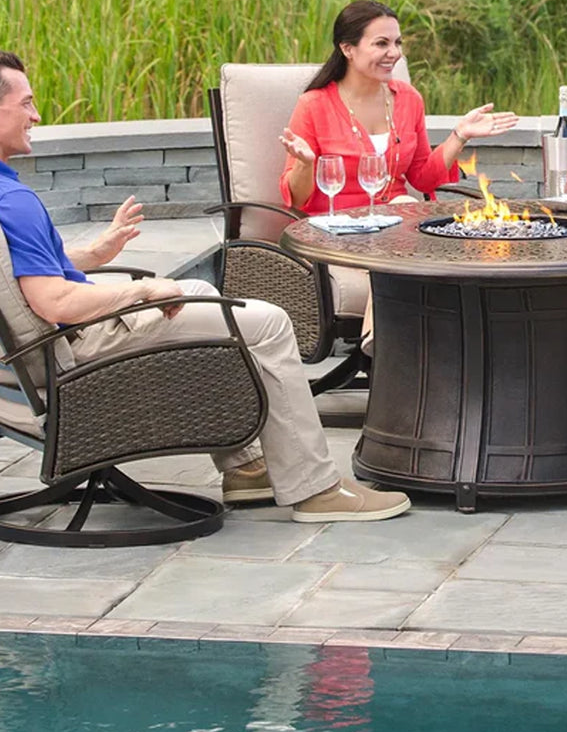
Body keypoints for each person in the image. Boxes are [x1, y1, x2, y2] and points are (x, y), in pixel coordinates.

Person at [0, 50, 410, 523]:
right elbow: (57, 301)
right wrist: (144, 291)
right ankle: (314, 489)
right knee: (269, 324)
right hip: (78, 356)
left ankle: (247, 468)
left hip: (45, 361)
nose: (36, 116)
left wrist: (92, 257)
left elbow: (20, 276)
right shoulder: (16, 201)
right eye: (26, 104)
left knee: (204, 294)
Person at [279, 0, 518, 212]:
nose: (394, 53)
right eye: (381, 44)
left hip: (395, 228)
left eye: (397, 43)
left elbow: (423, 179)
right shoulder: (314, 105)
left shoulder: (408, 99)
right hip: (335, 232)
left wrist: (459, 135)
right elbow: (298, 200)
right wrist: (306, 164)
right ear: (347, 49)